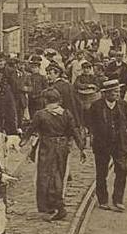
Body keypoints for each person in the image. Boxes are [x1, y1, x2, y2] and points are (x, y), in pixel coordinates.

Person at [29, 88, 86, 221]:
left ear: (45, 100)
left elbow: (31, 129)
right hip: (62, 147)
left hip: (46, 147)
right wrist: (81, 148)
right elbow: (74, 130)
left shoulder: (41, 114)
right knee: (59, 174)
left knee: (45, 176)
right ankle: (55, 205)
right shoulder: (66, 113)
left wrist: (23, 142)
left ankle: (55, 206)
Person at [86, 79, 127, 212]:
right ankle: (103, 200)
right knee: (101, 173)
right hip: (102, 144)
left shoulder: (123, 104)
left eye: (118, 91)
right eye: (114, 92)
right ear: (106, 93)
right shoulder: (96, 106)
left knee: (122, 170)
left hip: (120, 143)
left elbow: (126, 122)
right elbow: (91, 124)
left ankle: (118, 200)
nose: (117, 94)